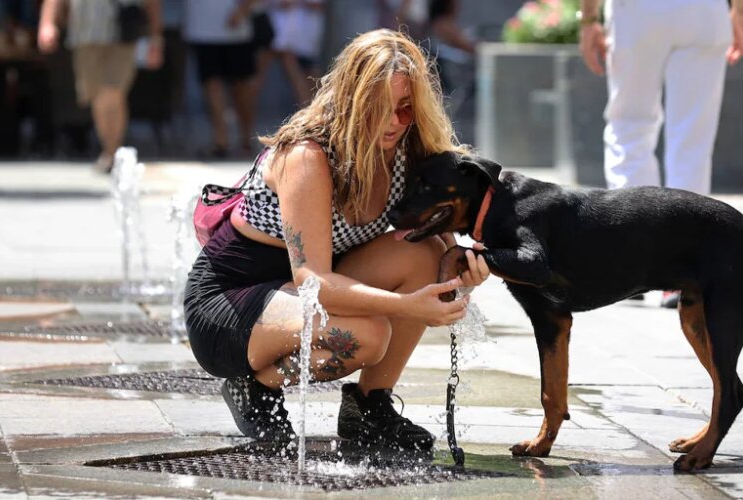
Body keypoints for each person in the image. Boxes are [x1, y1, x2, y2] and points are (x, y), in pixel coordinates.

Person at [184, 29, 490, 451]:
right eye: (380, 107)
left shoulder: (407, 147)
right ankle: (253, 385)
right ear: (351, 99)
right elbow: (313, 281)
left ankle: (369, 407)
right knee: (368, 335)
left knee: (427, 253)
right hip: (231, 302)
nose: (394, 122)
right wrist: (406, 306)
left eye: (406, 108)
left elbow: (443, 240)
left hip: (302, 290)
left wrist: (462, 266)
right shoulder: (309, 156)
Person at [578, 0, 743, 307]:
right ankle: (683, 269)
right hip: (703, 12)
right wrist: (740, 12)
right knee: (692, 138)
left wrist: (588, 18)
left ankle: (631, 264)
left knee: (630, 126)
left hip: (637, 12)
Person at [37, 0, 164, 173]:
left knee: (113, 92)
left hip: (123, 33)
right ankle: (109, 148)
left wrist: (156, 37)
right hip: (85, 34)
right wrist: (47, 23)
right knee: (96, 95)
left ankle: (113, 151)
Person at [184, 0, 258, 159]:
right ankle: (221, 141)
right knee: (211, 85)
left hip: (237, 31)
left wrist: (242, 10)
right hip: (202, 30)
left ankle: (247, 138)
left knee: (241, 89)